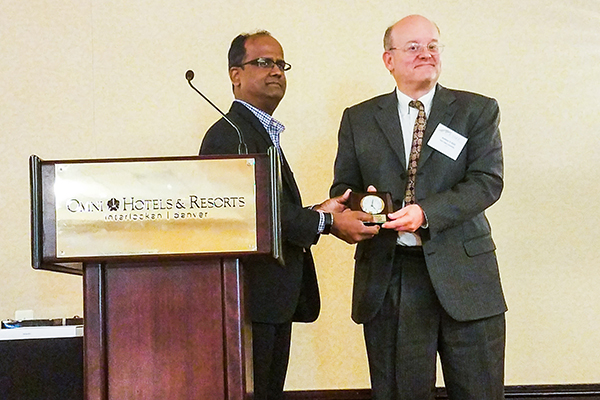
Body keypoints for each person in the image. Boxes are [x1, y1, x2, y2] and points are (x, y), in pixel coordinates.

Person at [330, 15, 507, 400]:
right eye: (412, 47)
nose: (425, 54)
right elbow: (344, 187)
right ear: (388, 59)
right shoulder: (358, 119)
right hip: (391, 275)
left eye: (432, 46)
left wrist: (426, 213)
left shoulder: (477, 110)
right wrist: (358, 208)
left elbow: (486, 182)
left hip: (465, 274)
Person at [200, 31, 379, 400]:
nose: (276, 71)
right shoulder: (228, 135)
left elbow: (269, 211)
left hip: (271, 299)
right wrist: (328, 223)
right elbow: (249, 215)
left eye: (281, 64)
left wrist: (316, 212)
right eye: (264, 62)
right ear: (235, 74)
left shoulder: (259, 133)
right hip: (249, 299)